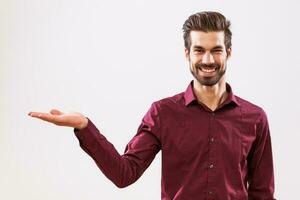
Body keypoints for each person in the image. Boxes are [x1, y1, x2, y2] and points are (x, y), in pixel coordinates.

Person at [28, 11, 276, 200]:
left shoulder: (254, 118)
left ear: (229, 53)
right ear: (187, 54)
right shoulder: (163, 113)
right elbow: (125, 173)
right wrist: (84, 125)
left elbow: (263, 194)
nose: (208, 59)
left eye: (216, 50)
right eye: (199, 50)